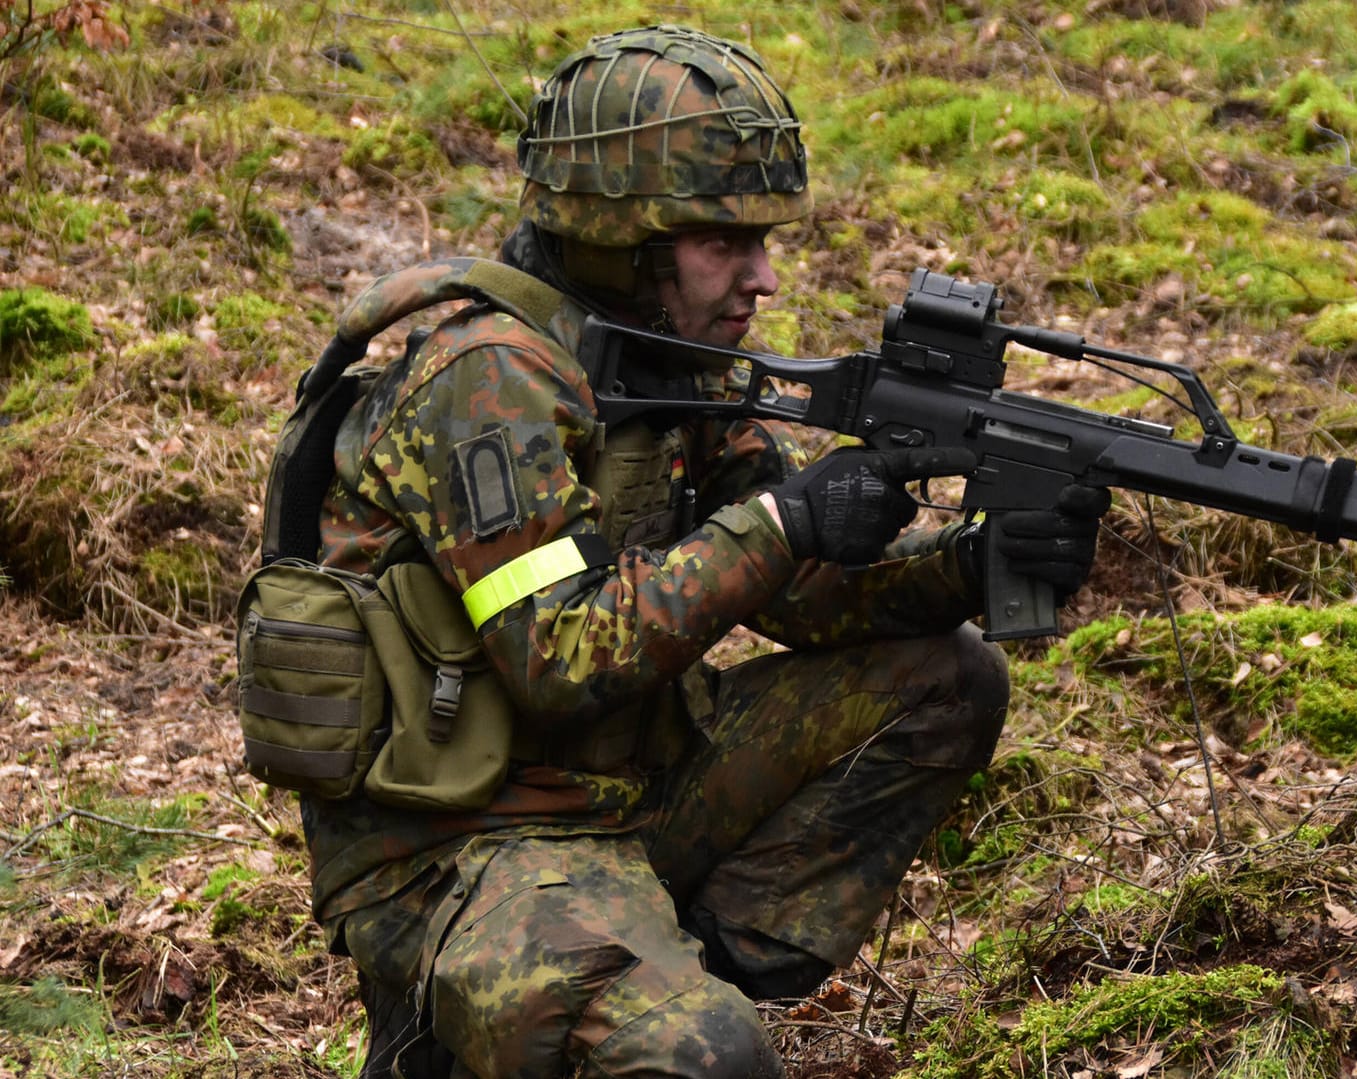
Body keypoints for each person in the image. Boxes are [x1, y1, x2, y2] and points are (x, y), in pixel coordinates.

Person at [297, 25, 1108, 1079]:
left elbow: (799, 592)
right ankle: (493, 1024)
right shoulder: (485, 378)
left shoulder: (669, 363)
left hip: (620, 797)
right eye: (724, 242)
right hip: (450, 847)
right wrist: (782, 523)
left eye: (763, 240)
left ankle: (647, 970)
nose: (762, 276)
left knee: (948, 678)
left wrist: (968, 559)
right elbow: (559, 656)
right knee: (708, 1059)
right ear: (624, 237)